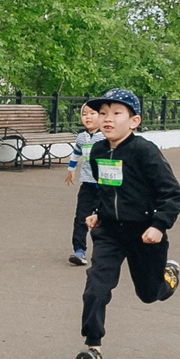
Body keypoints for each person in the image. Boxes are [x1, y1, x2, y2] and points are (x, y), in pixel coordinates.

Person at [73, 89, 180, 359]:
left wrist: (159, 225)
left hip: (144, 232)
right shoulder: (97, 151)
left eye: (116, 113)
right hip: (109, 232)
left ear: (134, 121)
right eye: (103, 113)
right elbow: (105, 188)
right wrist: (97, 211)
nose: (107, 119)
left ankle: (168, 277)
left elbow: (171, 193)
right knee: (96, 289)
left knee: (148, 294)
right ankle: (93, 350)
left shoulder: (144, 151)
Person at [64, 101, 101, 266]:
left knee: (105, 220)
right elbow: (76, 153)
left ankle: (108, 251)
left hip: (106, 186)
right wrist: (71, 169)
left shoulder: (107, 136)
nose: (88, 117)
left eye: (92, 113)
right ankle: (79, 250)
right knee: (81, 217)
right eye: (84, 114)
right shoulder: (81, 137)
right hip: (87, 184)